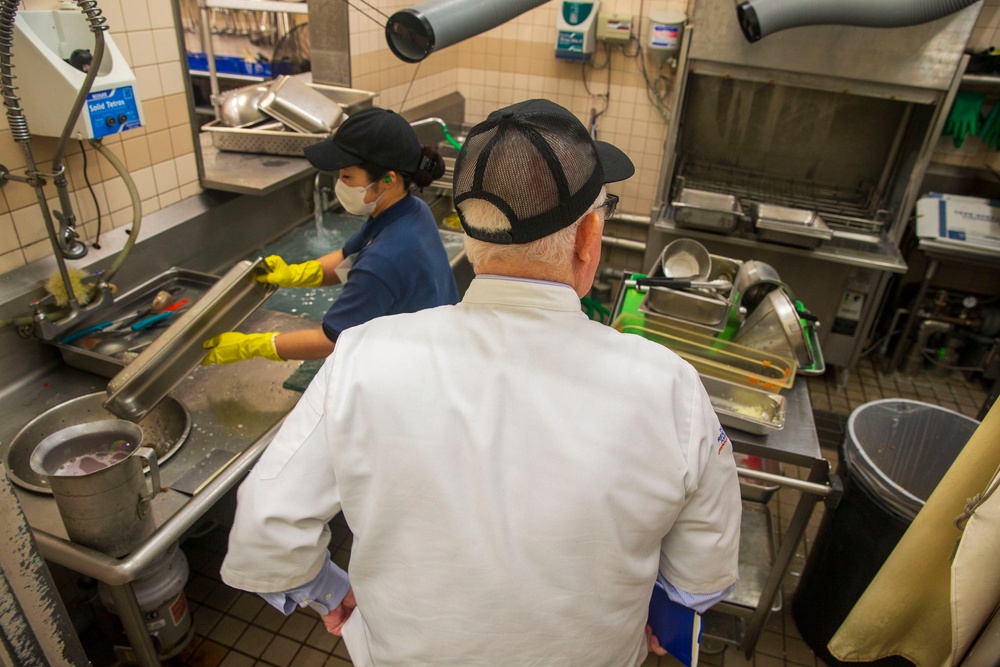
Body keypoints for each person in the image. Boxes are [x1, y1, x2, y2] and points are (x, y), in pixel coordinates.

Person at [220, 99, 742, 665]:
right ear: (590, 238)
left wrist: (329, 591)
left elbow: (266, 534)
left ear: (470, 238)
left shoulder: (364, 359)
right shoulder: (670, 391)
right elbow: (699, 580)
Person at [201, 107, 459, 365]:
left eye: (347, 176)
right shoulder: (410, 211)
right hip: (435, 346)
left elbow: (330, 341)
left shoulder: (383, 260)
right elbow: (347, 258)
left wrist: (254, 345)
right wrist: (294, 275)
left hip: (415, 365)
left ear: (388, 179)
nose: (339, 184)